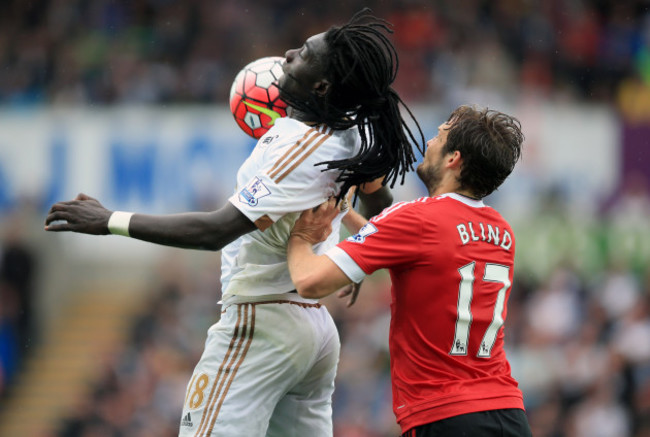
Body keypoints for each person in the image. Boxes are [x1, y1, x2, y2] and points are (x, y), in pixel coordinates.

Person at [44, 9, 424, 437]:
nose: (289, 53)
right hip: (313, 332)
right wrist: (350, 255)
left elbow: (216, 230)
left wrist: (110, 220)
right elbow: (381, 204)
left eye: (304, 54)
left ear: (321, 87)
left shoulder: (296, 149)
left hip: (262, 325)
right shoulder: (351, 131)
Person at [287, 105, 533, 437]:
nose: (429, 142)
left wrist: (300, 236)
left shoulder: (417, 218)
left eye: (438, 135)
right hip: (508, 413)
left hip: (445, 417)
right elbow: (425, 263)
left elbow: (310, 281)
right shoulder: (502, 231)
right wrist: (348, 226)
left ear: (452, 159)